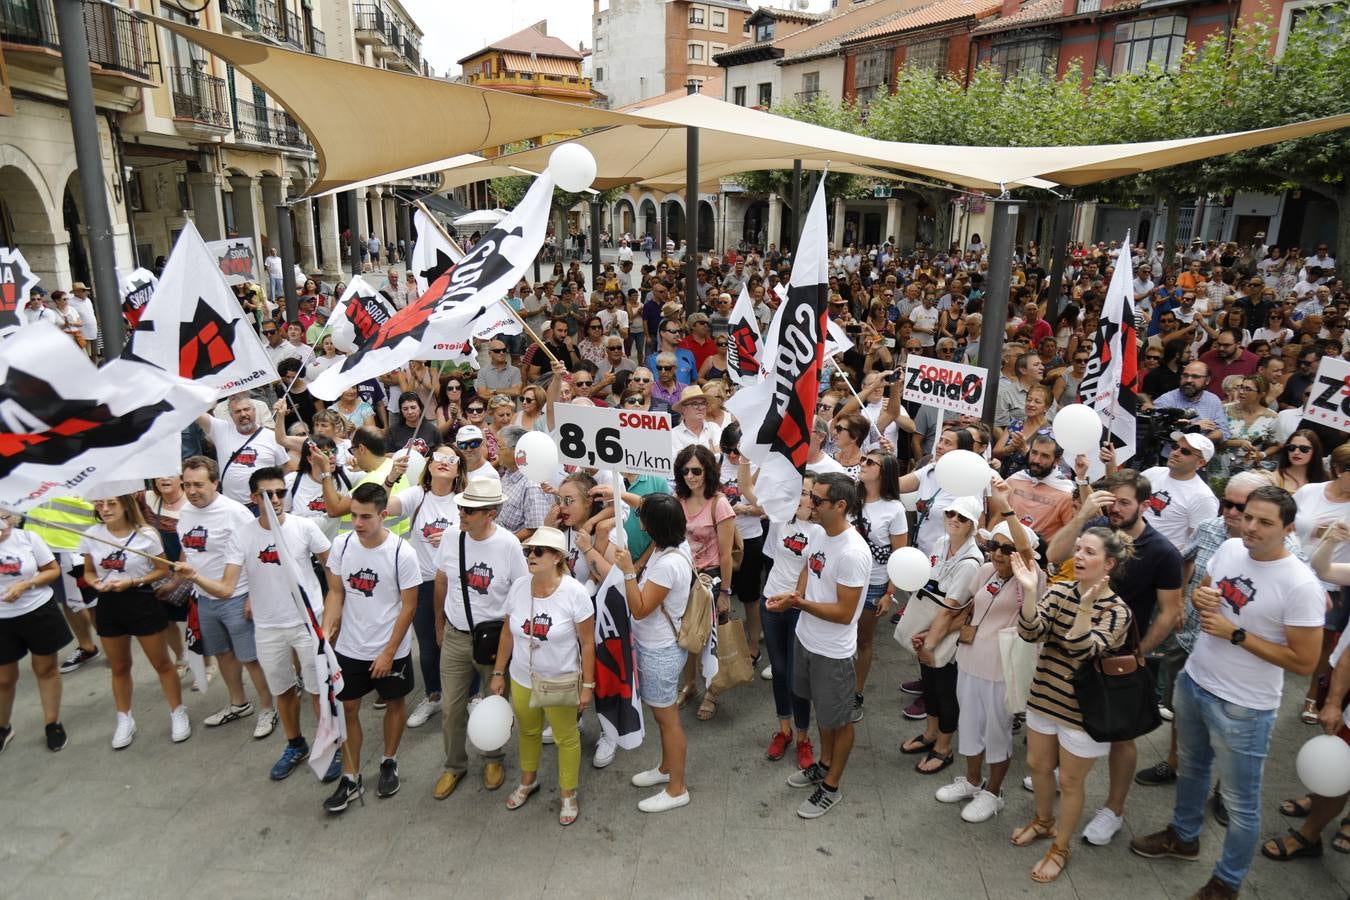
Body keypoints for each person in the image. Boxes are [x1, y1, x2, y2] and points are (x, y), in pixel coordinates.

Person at [1130, 487, 1324, 900]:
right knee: (1191, 769)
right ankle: (1184, 837)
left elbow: (1305, 662)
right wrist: (1200, 597)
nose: (1250, 526)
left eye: (1264, 522)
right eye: (1247, 516)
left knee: (1240, 802)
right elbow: (1208, 591)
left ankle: (1227, 883)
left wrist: (1237, 634)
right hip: (1197, 680)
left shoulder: (1300, 584)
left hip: (1245, 707)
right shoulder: (1231, 548)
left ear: (1289, 529)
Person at [176, 468, 339, 781]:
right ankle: (295, 745)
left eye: (280, 492)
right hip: (268, 628)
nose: (275, 499)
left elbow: (334, 576)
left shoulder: (305, 527)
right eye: (267, 494)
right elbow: (227, 588)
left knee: (319, 692)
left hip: (307, 624)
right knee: (283, 691)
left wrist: (330, 621)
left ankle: (330, 747)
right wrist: (194, 576)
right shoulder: (243, 535)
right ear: (254, 498)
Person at [1010, 527, 1134, 883]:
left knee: (1071, 781)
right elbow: (1030, 632)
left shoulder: (1117, 610)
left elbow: (1083, 650)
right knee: (1038, 765)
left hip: (1083, 712)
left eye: (1089, 552)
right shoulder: (1060, 590)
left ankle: (1060, 848)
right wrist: (1030, 592)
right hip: (1045, 695)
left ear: (1109, 564)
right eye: (1078, 549)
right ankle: (1043, 821)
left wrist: (1085, 609)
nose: (1078, 556)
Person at [765, 473, 871, 819]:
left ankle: (832, 786)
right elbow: (808, 570)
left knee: (840, 720)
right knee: (823, 715)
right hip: (807, 639)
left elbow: (844, 613)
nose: (809, 503)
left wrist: (798, 604)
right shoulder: (821, 534)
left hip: (833, 652)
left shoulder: (853, 552)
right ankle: (823, 764)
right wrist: (796, 594)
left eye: (817, 499)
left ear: (839, 506)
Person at [937, 503, 1042, 823]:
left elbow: (1027, 560)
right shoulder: (985, 571)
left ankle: (994, 792)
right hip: (970, 661)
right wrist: (935, 634)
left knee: (996, 731)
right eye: (994, 545)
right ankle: (972, 781)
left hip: (1002, 670)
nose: (997, 554)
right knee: (969, 724)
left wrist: (1006, 507)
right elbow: (969, 610)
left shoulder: (1032, 578)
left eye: (1007, 549)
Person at [321, 482, 420, 814]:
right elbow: (336, 592)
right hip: (350, 646)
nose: (357, 523)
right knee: (347, 709)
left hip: (390, 647)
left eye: (365, 517)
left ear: (383, 515)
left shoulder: (402, 553)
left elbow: (408, 606)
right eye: (353, 515)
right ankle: (351, 777)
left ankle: (389, 760)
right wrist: (327, 629)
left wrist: (389, 652)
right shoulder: (342, 544)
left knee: (394, 703)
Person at [489, 526, 595, 826]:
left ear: (557, 557)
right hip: (521, 676)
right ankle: (528, 780)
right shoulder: (519, 587)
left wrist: (588, 685)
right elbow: (507, 634)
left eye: (538, 551)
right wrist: (498, 672)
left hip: (559, 679)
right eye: (527, 551)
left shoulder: (574, 593)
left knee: (566, 737)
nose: (530, 556)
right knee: (528, 731)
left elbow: (588, 643)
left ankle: (568, 793)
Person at [431, 478, 528, 800]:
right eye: (462, 507)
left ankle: (493, 758)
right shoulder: (451, 537)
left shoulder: (508, 545)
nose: (462, 513)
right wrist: (439, 626)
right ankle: (454, 765)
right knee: (451, 708)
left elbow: (520, 596)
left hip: (494, 641)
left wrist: (508, 654)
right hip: (456, 636)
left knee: (495, 702)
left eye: (470, 510)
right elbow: (441, 581)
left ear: (490, 514)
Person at [178, 457, 277, 736]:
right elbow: (189, 550)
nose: (192, 491)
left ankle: (268, 709)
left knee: (250, 658)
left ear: (215, 483)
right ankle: (238, 703)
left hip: (238, 596)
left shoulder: (234, 512)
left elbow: (258, 553)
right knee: (223, 654)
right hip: (204, 598)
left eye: (199, 484)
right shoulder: (185, 512)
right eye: (187, 485)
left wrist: (253, 597)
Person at [80, 494, 186, 749]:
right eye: (100, 503)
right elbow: (89, 572)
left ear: (126, 505)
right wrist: (96, 583)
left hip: (141, 600)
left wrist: (133, 581)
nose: (105, 508)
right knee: (119, 666)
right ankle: (124, 718)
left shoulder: (146, 534)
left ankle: (177, 712)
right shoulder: (91, 534)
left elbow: (162, 569)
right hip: (108, 604)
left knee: (161, 663)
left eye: (111, 503)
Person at [379, 444, 464, 730]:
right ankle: (434, 695)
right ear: (429, 465)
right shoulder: (417, 496)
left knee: (464, 641)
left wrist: (454, 538)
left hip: (458, 582)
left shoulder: (464, 499)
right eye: (438, 457)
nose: (444, 462)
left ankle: (472, 695)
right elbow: (380, 508)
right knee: (428, 645)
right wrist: (390, 478)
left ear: (458, 470)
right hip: (424, 582)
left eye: (451, 459)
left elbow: (479, 535)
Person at [900, 495, 984, 775]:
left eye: (962, 517)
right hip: (928, 625)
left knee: (946, 691)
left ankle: (944, 747)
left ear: (972, 524)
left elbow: (951, 609)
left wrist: (930, 642)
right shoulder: (941, 542)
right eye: (950, 513)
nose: (954, 520)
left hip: (945, 632)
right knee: (930, 684)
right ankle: (930, 733)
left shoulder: (971, 561)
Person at [673, 445, 735, 720]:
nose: (690, 476)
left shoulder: (719, 504)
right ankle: (690, 685)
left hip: (711, 577)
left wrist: (725, 593)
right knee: (685, 634)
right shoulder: (678, 499)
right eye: (685, 470)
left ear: (708, 471)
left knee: (711, 639)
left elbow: (726, 555)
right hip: (683, 575)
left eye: (696, 471)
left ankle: (712, 692)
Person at [0, 513, 69, 753]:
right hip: (2, 619)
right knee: (4, 678)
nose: (1, 524)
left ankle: (52, 723)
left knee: (45, 668)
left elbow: (52, 570)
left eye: (4, 516)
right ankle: (3, 727)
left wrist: (26, 584)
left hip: (38, 610)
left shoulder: (28, 537)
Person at [853, 452, 906, 722]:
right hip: (842, 578)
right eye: (863, 459)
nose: (863, 464)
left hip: (874, 583)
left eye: (870, 462)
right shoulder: (850, 496)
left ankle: (856, 693)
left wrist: (889, 593)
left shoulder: (894, 509)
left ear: (884, 473)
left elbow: (899, 556)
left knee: (863, 640)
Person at [197, 394, 290, 505]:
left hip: (263, 504)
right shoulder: (221, 430)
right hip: (232, 505)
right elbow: (195, 413)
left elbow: (286, 467)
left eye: (246, 409)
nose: (243, 414)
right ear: (231, 415)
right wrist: (209, 400)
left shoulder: (271, 436)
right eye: (237, 411)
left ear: (254, 411)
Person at [1141, 433, 1221, 551]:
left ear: (1200, 463)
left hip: (1158, 556)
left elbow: (1198, 543)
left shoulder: (1204, 497)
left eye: (1185, 452)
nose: (1176, 453)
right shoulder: (1153, 472)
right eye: (1175, 447)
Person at [1272, 428, 1326, 493]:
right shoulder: (1273, 478)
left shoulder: (1325, 482)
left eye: (1304, 449)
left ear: (1315, 452)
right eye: (1292, 447)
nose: (1296, 452)